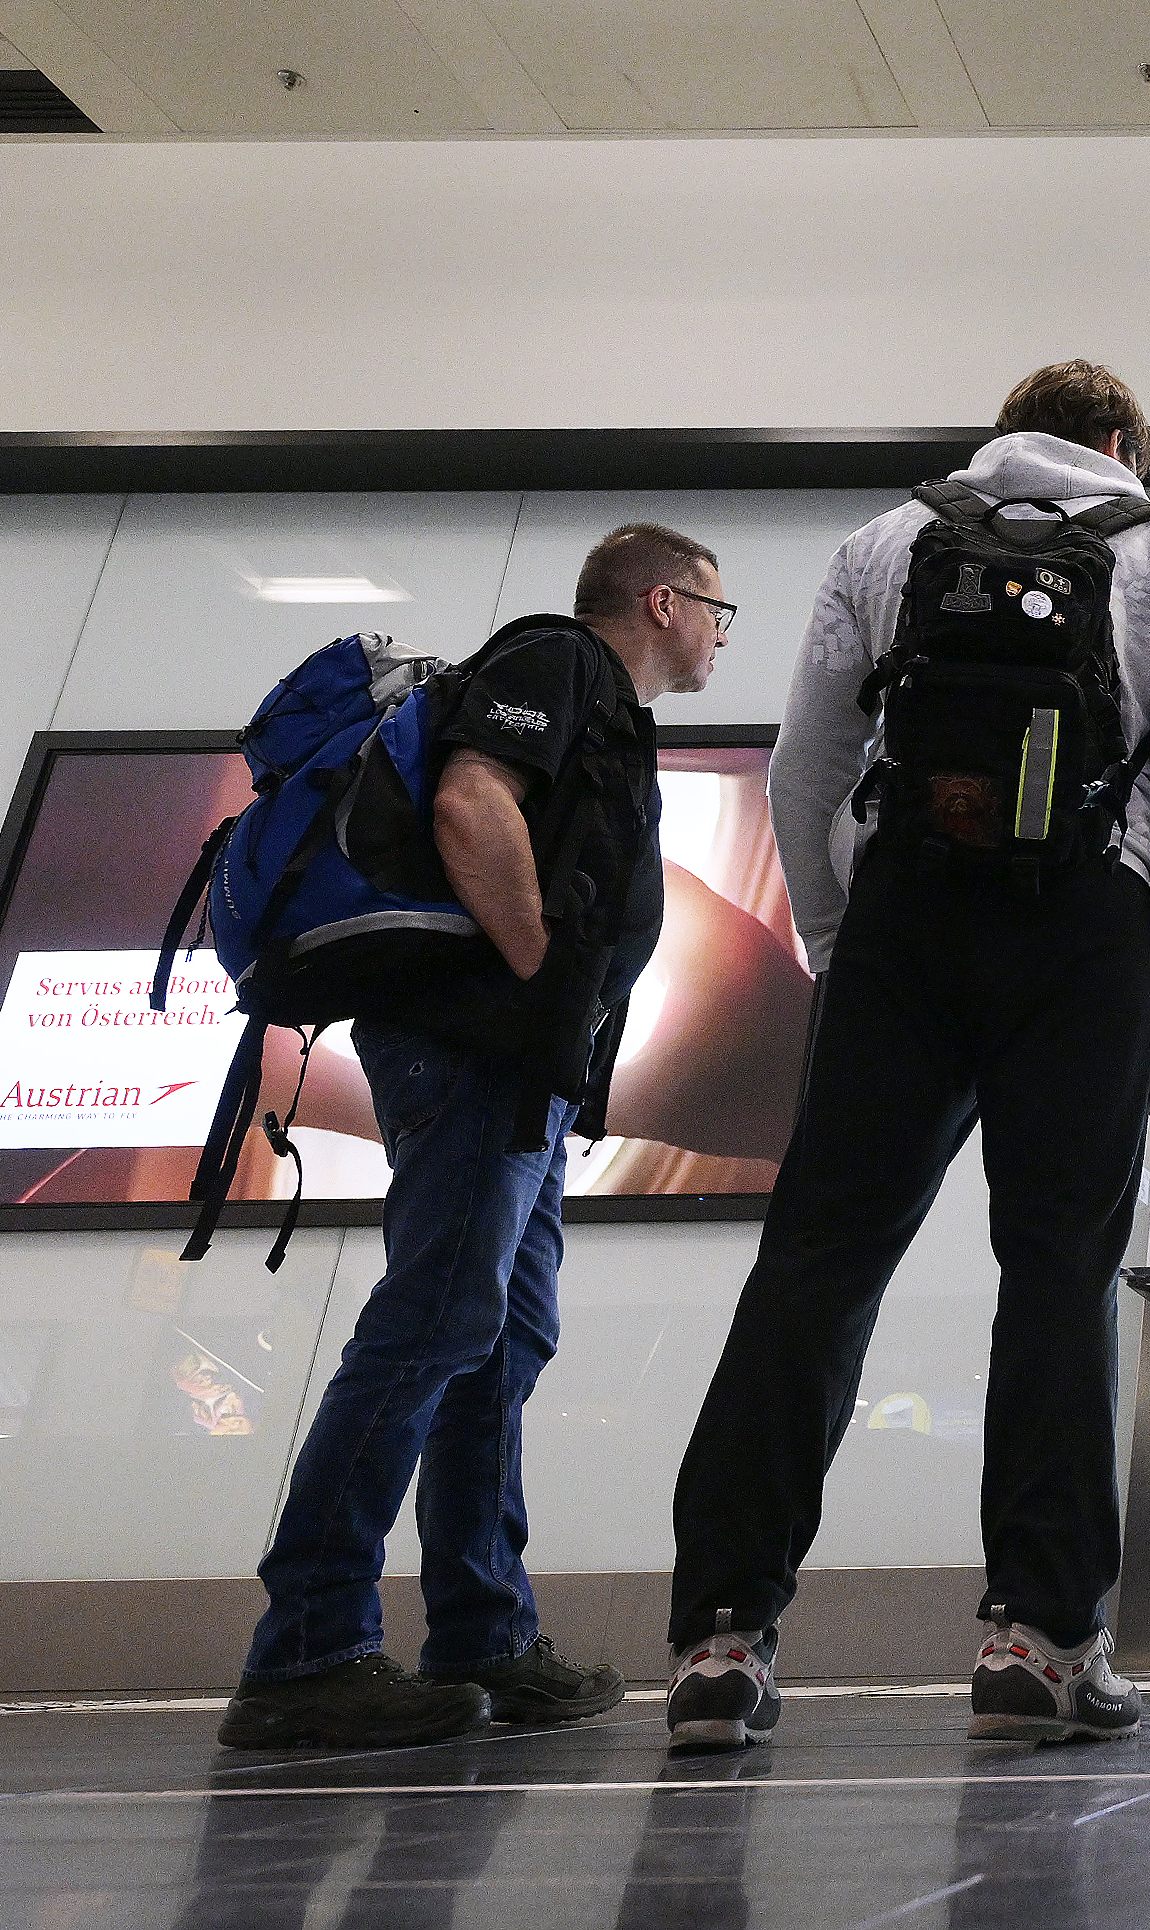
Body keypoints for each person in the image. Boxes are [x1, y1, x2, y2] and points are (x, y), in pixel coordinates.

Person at [664, 361, 1150, 1750]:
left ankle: (720, 1637)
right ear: (1119, 440)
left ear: (1007, 422)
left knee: (819, 1260)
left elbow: (806, 766)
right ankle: (1039, 1639)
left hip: (901, 925)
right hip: (1080, 929)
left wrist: (840, 942)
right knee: (1056, 1265)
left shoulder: (886, 540)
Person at [218, 524, 728, 1749]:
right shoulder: (558, 663)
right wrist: (543, 975)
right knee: (437, 1321)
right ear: (661, 602)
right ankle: (307, 1649)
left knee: (499, 1336)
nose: (719, 629)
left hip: (516, 1071)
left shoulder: (596, 700)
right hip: (473, 1051)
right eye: (716, 606)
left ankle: (483, 1630)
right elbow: (467, 797)